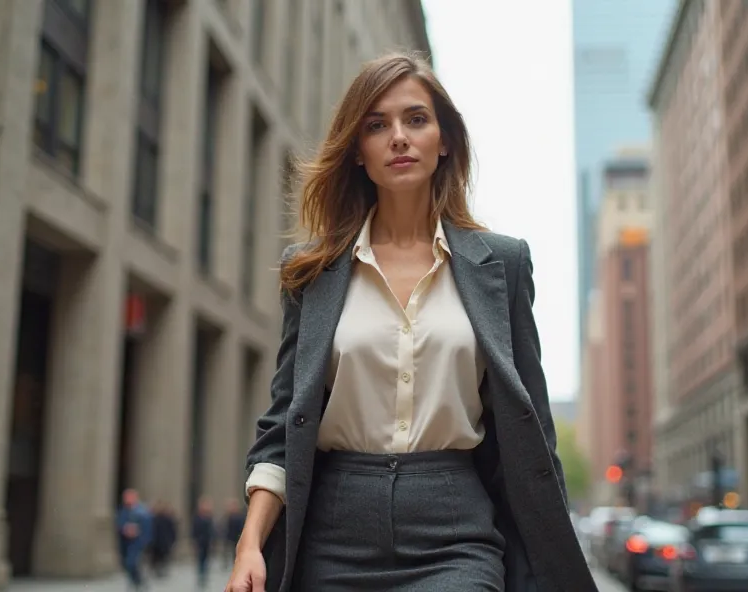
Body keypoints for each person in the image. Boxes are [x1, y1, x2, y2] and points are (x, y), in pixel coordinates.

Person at [225, 52, 596, 592]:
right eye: (377, 125)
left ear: (444, 140)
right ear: (358, 151)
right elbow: (284, 423)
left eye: (416, 119)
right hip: (334, 537)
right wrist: (250, 544)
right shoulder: (312, 272)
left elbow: (531, 428)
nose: (398, 137)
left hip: (455, 536)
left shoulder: (504, 266)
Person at [116, 489, 151, 591]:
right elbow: (119, 524)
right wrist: (124, 529)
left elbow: (147, 528)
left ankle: (137, 581)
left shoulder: (142, 512)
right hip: (125, 542)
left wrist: (141, 537)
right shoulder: (123, 511)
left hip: (136, 542)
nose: (128, 500)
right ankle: (137, 581)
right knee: (126, 563)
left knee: (131, 562)